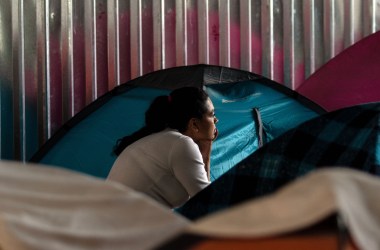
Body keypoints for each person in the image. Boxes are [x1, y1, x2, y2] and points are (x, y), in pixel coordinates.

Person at [107, 86, 219, 208]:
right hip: (124, 225)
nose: (216, 120)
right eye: (212, 114)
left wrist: (205, 150)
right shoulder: (181, 144)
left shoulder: (162, 138)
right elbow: (208, 204)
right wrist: (206, 154)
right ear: (194, 124)